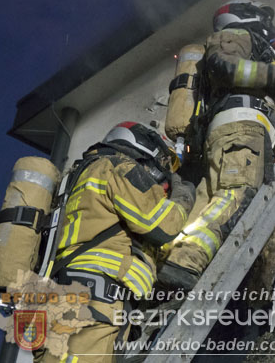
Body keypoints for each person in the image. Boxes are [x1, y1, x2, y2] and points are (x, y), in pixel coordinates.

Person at [158, 0, 275, 291]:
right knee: (236, 195)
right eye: (262, 18)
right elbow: (226, 68)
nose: (268, 25)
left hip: (230, 133)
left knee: (205, 205)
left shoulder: (253, 45)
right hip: (242, 129)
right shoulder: (236, 36)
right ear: (245, 16)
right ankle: (188, 260)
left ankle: (172, 260)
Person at [34, 122, 196, 363]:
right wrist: (184, 194)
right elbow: (164, 224)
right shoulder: (117, 167)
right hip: (94, 304)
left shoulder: (75, 180)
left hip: (72, 304)